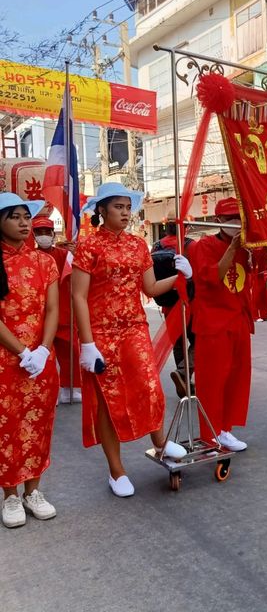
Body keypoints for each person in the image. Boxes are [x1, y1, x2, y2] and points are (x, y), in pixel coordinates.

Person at [72, 183, 189, 498]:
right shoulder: (89, 246)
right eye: (118, 207)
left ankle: (161, 443)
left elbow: (149, 289)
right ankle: (116, 471)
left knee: (149, 386)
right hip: (100, 333)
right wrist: (87, 343)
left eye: (128, 207)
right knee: (109, 403)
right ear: (102, 210)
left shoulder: (138, 245)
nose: (125, 212)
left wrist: (180, 277)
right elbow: (78, 296)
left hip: (134, 328)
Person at [0, 194, 60, 528]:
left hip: (40, 358)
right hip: (5, 359)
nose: (24, 223)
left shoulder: (44, 262)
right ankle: (9, 495)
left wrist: (42, 350)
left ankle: (32, 491)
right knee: (6, 427)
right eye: (15, 217)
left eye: (26, 216)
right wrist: (21, 352)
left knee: (38, 426)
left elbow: (52, 309)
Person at [190, 197, 253, 452]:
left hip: (238, 320)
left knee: (236, 379)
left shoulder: (246, 247)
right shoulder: (202, 246)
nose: (236, 225)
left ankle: (226, 429)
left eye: (239, 220)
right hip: (213, 323)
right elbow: (214, 276)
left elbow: (261, 270)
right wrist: (231, 249)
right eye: (230, 220)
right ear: (219, 221)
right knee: (213, 381)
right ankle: (209, 433)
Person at [32, 216, 82, 404]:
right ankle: (46, 390)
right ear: (34, 235)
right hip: (40, 315)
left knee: (71, 352)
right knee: (42, 353)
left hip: (65, 311)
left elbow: (80, 273)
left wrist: (76, 254)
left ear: (53, 234)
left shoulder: (64, 255)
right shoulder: (30, 256)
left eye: (47, 231)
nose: (43, 235)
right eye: (39, 232)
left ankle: (69, 387)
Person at [150, 216, 195, 398]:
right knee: (198, 341)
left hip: (167, 303)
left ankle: (182, 376)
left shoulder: (156, 246)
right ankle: (184, 373)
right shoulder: (190, 245)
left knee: (178, 343)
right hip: (189, 302)